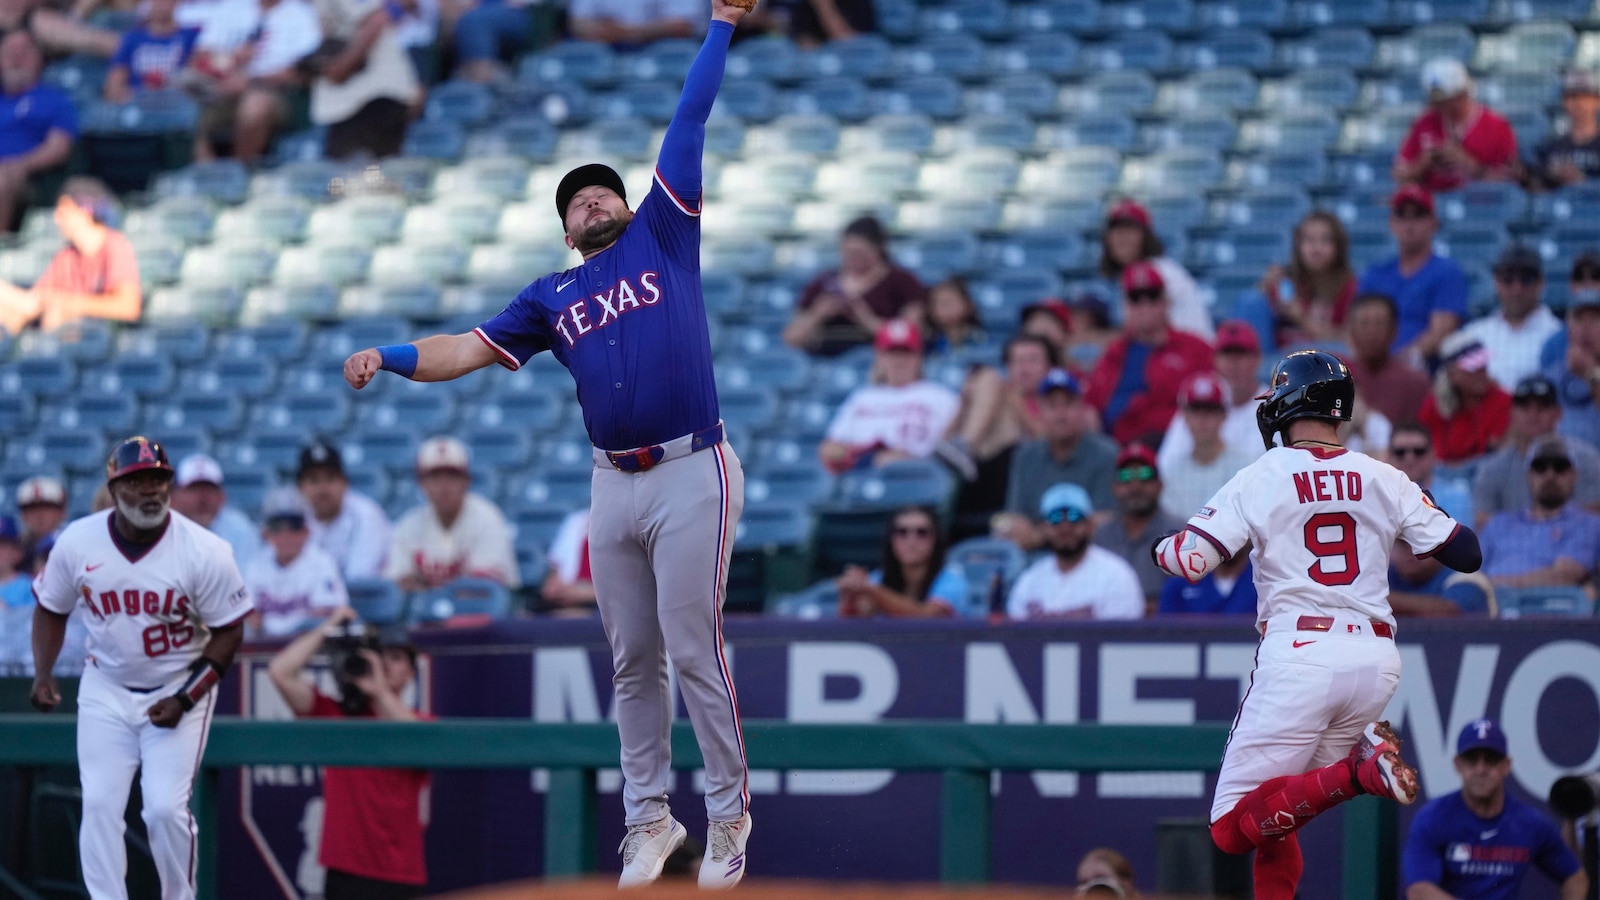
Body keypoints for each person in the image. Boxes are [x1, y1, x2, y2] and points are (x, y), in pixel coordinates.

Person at [340, 2, 756, 886]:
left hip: (692, 467)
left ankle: (728, 815)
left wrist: (719, 24)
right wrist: (395, 355)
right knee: (631, 660)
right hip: (614, 483)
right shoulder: (550, 295)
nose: (592, 197)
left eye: (601, 187)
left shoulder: (663, 231)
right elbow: (465, 349)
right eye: (576, 199)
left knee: (694, 647)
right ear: (566, 230)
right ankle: (649, 818)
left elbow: (689, 118)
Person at [1152, 350, 1483, 900]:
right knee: (1277, 811)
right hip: (1376, 661)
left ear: (1288, 403)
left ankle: (1362, 771)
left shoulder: (1264, 473)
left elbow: (1192, 561)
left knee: (1231, 827)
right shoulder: (1384, 475)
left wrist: (1160, 550)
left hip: (1301, 652)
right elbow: (1466, 552)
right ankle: (1361, 768)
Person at [29, 436, 252, 900]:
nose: (150, 490)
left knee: (163, 812)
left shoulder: (204, 551)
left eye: (158, 479)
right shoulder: (78, 541)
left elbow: (230, 632)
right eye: (137, 481)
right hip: (105, 685)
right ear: (114, 490)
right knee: (99, 805)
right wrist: (43, 672)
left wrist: (186, 698)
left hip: (177, 684)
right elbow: (51, 606)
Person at [267, 606, 431, 900]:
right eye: (379, 657)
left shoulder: (423, 722)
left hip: (402, 874)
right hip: (347, 874)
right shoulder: (335, 715)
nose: (383, 665)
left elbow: (418, 739)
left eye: (395, 659)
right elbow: (281, 672)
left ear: (410, 673)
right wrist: (328, 627)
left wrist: (379, 692)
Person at [1403, 719, 1588, 900]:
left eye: (1491, 760)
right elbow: (1419, 890)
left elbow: (1576, 878)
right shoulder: (1433, 818)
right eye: (1471, 760)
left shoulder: (1529, 823)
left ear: (1506, 766)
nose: (1481, 769)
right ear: (1458, 765)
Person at [1085, 261, 1215, 447]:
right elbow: (1091, 404)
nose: (1145, 304)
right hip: (1117, 451)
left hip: (1174, 448)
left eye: (1152, 295)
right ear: (1126, 306)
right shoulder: (1113, 353)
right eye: (1136, 298)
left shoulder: (1195, 348)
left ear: (1166, 302)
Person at [992, 367, 1118, 552]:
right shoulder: (1025, 456)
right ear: (1040, 412)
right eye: (1052, 405)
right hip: (1033, 557)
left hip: (1091, 554)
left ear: (1082, 409)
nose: (1060, 415)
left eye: (1068, 404)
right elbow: (1016, 518)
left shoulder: (1106, 454)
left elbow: (1106, 521)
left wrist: (1041, 534)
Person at [0, 177, 141, 335]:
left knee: (57, 314)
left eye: (64, 210)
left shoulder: (115, 245)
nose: (57, 218)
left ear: (85, 210)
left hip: (96, 336)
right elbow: (36, 301)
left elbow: (128, 307)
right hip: (53, 330)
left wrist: (70, 303)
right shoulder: (66, 256)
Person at [185, 0, 321, 164]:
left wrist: (250, 82)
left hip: (276, 92)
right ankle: (205, 170)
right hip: (223, 86)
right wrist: (230, 59)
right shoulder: (231, 7)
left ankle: (239, 172)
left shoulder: (301, 14)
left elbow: (302, 71)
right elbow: (200, 55)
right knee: (184, 85)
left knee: (255, 106)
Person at [818, 319, 960, 474]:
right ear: (880, 358)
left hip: (917, 473)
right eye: (892, 353)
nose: (899, 361)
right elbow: (830, 446)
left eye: (906, 353)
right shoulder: (863, 397)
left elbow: (953, 446)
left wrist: (912, 458)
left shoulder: (940, 396)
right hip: (862, 471)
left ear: (919, 357)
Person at [385, 436, 519, 592]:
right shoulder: (408, 525)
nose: (444, 486)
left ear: (466, 481)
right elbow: (397, 584)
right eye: (435, 477)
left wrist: (427, 593)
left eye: (452, 476)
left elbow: (480, 590)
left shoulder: (487, 518)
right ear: (421, 484)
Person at [782, 215, 926, 357]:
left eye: (860, 252)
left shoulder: (902, 281)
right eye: (847, 252)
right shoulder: (824, 282)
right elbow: (791, 338)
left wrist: (866, 318)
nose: (853, 258)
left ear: (879, 248)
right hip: (826, 362)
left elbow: (912, 335)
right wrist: (818, 314)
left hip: (880, 363)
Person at [1386, 424, 1490, 617]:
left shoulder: (1463, 578)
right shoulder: (1376, 499)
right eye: (1400, 452)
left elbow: (1449, 610)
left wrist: (1373, 599)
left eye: (1418, 451)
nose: (1409, 458)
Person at [1357, 186, 1469, 365]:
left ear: (1434, 223)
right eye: (1402, 215)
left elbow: (1440, 333)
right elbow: (1356, 328)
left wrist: (1396, 368)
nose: (1409, 225)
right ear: (1392, 223)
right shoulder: (1375, 274)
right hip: (1374, 367)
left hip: (1425, 372)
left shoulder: (1447, 272)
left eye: (1418, 215)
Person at [1472, 375, 1600, 529]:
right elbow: (1483, 526)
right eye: (1524, 407)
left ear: (1558, 413)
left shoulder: (1586, 459)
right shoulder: (1492, 469)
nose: (1533, 415)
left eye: (1542, 407)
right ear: (1512, 413)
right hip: (1513, 551)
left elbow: (1593, 523)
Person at [1006, 482, 1143, 620]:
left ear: (1090, 525)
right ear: (1044, 528)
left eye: (1074, 516)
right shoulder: (1029, 581)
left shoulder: (1116, 575)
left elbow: (1119, 638)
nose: (1065, 527)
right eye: (1055, 518)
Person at [1479, 435, 1600, 590]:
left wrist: (1488, 585)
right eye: (1540, 467)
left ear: (1573, 476)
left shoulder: (1588, 524)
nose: (1550, 475)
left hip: (1549, 610)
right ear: (1529, 476)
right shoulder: (1497, 524)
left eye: (1560, 467)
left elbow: (1563, 576)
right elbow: (1471, 575)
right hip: (1488, 610)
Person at [935, 333, 1055, 483]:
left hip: (1034, 471)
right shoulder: (997, 392)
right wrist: (964, 403)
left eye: (1032, 360)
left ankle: (964, 447)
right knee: (987, 378)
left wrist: (1018, 406)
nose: (1025, 369)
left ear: (1048, 366)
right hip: (988, 468)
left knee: (990, 380)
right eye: (1017, 361)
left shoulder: (1056, 395)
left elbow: (1052, 444)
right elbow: (943, 443)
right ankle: (963, 447)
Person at [309, 0, 420, 161]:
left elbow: (377, 17)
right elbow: (327, 29)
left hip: (376, 92)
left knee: (372, 174)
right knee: (345, 176)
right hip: (345, 97)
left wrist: (344, 64)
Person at [1393, 58, 1519, 193]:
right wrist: (1425, 162)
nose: (1438, 106)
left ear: (1463, 94)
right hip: (1433, 203)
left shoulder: (1497, 125)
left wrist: (1467, 163)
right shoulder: (1425, 122)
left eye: (1445, 100)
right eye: (1435, 101)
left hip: (1478, 204)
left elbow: (1508, 182)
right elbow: (1399, 176)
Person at [1241, 211, 1358, 355]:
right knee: (1251, 301)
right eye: (1309, 240)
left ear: (1338, 247)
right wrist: (1263, 288)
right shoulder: (1285, 281)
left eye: (1325, 240)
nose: (1316, 249)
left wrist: (1302, 319)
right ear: (1298, 245)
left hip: (1327, 362)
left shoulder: (1350, 287)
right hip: (1279, 362)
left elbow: (1350, 339)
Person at [1097, 198, 1212, 339]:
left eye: (1129, 228)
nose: (1121, 236)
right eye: (1115, 230)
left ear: (1146, 237)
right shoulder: (1126, 276)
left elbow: (1144, 333)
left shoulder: (1162, 271)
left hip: (1188, 353)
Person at [1159, 320, 1267, 470]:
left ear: (1258, 359)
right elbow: (1166, 467)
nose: (1233, 363)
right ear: (1214, 359)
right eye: (1227, 354)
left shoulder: (1275, 407)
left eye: (1241, 354)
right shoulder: (1196, 402)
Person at [836, 504, 974, 618]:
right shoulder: (877, 579)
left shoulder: (952, 580)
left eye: (922, 532)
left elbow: (925, 618)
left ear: (935, 540)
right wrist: (849, 596)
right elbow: (854, 623)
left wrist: (872, 590)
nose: (911, 541)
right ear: (891, 540)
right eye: (902, 532)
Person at [1094, 443, 1187, 611]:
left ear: (1160, 485)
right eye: (1125, 476)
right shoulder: (1102, 536)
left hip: (1165, 628)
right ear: (1115, 488)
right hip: (1111, 626)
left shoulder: (1179, 532)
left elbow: (1186, 595)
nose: (1135, 486)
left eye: (1145, 475)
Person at [0, 29, 76, 234]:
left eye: (24, 52)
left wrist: (19, 165)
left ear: (39, 58)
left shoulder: (54, 100)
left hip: (32, 180)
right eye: (9, 53)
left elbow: (59, 148)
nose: (16, 58)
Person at [244, 489, 347, 638]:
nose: (286, 534)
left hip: (310, 649)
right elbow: (248, 617)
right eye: (276, 526)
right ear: (266, 533)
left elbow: (325, 617)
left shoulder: (322, 562)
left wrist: (272, 625)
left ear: (306, 531)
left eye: (294, 525)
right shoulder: (256, 564)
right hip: (264, 647)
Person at [1460, 245, 1563, 392]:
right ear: (1496, 282)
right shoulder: (1474, 335)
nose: (1517, 289)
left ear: (1540, 282)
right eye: (1508, 280)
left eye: (1526, 280)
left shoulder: (1557, 334)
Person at [1158, 373, 1259, 522]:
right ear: (1185, 416)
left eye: (1210, 411)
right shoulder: (1170, 471)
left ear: (1224, 415)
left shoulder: (1246, 468)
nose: (1202, 420)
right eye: (1196, 411)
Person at [296, 440, 392, 582]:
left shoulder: (365, 515)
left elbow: (359, 578)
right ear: (300, 488)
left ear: (345, 483)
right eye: (313, 480)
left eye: (330, 479)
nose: (323, 488)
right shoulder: (296, 518)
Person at [1418, 333, 1512, 465]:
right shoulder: (1433, 407)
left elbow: (1498, 454)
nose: (1481, 372)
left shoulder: (1503, 401)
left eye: (1483, 365)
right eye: (1472, 367)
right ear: (1452, 375)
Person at [1342, 293, 1433, 428]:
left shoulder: (1415, 382)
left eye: (1379, 324)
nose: (1371, 332)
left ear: (1394, 330)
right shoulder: (1336, 379)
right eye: (1364, 324)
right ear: (1350, 330)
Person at [170, 453, 261, 568]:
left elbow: (245, 581)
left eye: (209, 489)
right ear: (174, 496)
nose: (203, 498)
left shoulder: (240, 530)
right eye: (194, 489)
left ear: (222, 496)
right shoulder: (157, 530)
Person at [102, 0, 199, 101]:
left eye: (168, 2)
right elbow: (113, 86)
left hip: (173, 103)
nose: (162, 5)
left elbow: (195, 78)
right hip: (138, 105)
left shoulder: (189, 37)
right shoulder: (132, 38)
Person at [1543, 284, 1600, 449]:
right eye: (1579, 318)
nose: (1586, 328)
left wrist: (1590, 372)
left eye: (1595, 318)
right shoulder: (1549, 378)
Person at [1524, 69, 1600, 191]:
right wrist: (1552, 178)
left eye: (1584, 96)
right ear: (1563, 102)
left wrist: (1583, 182)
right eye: (1571, 97)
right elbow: (1536, 190)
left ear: (1597, 101)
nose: (1578, 103)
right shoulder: (1551, 147)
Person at [1158, 542, 1256, 615]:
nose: (1227, 540)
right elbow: (1164, 636)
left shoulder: (1266, 581)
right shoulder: (1179, 583)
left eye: (1236, 530)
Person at [568, 0, 705, 45]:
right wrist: (601, 30)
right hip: (605, 47)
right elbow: (576, 23)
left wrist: (628, 32)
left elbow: (683, 25)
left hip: (660, 50)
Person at [541, 508, 596, 616]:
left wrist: (586, 593)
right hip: (568, 597)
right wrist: (554, 588)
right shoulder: (576, 522)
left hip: (601, 604)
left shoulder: (625, 523)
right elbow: (556, 568)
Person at [923, 277, 989, 357]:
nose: (947, 308)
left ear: (967, 304)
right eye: (941, 303)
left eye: (951, 302)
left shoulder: (981, 338)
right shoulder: (926, 343)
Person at [14, 473, 66, 569]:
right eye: (32, 509)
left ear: (62, 513)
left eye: (47, 508)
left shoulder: (71, 544)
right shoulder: (12, 549)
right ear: (23, 515)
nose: (40, 515)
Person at [784, 0, 876, 46]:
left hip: (852, 71)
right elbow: (803, 42)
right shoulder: (805, 5)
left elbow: (851, 47)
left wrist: (824, 6)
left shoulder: (859, 3)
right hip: (818, 69)